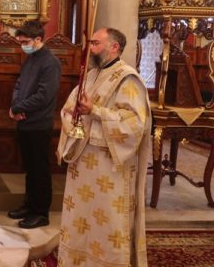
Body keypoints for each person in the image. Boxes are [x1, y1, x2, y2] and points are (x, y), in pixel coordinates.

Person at [57, 27, 151, 267]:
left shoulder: (128, 79)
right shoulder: (91, 75)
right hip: (82, 161)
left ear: (114, 47)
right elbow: (69, 107)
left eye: (96, 43)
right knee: (81, 217)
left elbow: (134, 124)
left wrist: (95, 111)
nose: (90, 48)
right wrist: (74, 116)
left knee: (106, 219)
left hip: (108, 165)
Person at [7, 20, 61, 229]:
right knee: (29, 169)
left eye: (26, 42)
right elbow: (19, 85)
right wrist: (15, 107)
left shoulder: (51, 62)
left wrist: (19, 108)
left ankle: (40, 212)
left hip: (39, 124)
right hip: (24, 122)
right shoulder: (30, 59)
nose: (23, 46)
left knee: (40, 170)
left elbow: (43, 96)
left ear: (38, 39)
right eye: (21, 42)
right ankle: (29, 205)